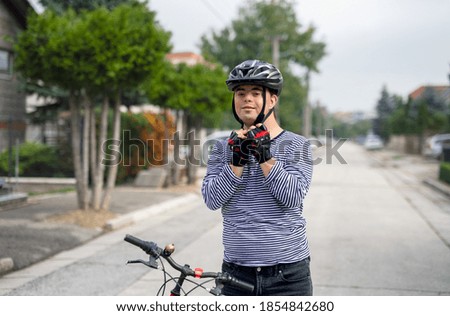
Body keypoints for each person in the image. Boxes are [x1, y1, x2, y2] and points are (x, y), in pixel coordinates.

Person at [201, 59, 314, 296]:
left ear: (272, 99)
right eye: (240, 93)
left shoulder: (297, 145)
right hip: (235, 273)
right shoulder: (223, 148)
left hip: (287, 276)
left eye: (255, 92)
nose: (247, 99)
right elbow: (212, 200)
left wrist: (265, 156)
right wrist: (235, 164)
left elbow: (292, 197)